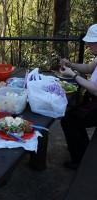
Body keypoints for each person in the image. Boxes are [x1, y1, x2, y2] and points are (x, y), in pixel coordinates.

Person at [59, 24, 97, 170]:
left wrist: (72, 75)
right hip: (92, 100)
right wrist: (71, 65)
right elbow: (88, 68)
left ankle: (80, 161)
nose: (87, 45)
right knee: (70, 116)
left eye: (90, 42)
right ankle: (82, 149)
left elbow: (95, 90)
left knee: (69, 122)